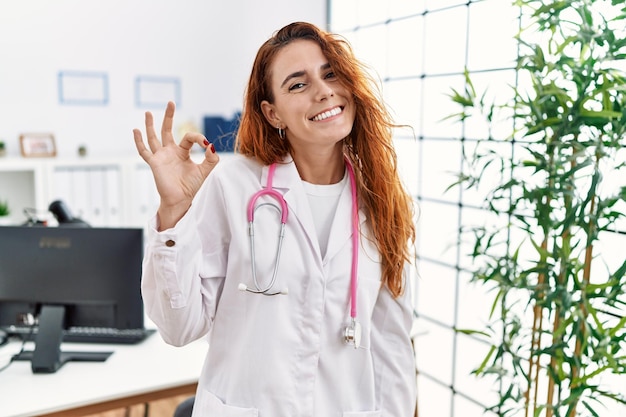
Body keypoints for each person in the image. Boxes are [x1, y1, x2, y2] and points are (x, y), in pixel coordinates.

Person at [133, 21, 417, 416]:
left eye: (330, 74)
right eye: (297, 85)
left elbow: (391, 346)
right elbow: (179, 328)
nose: (323, 91)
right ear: (273, 113)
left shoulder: (383, 201)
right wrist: (174, 211)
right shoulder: (233, 186)